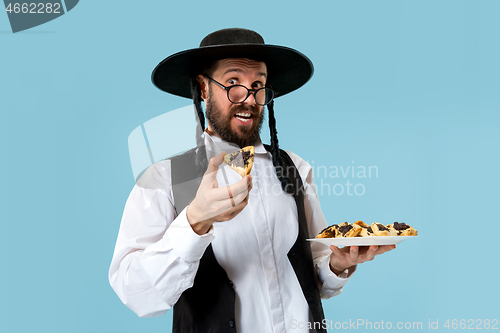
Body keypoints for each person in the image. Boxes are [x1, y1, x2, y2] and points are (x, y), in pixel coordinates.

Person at [109, 28, 395, 333]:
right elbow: (136, 294)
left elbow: (313, 275)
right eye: (233, 83)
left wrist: (339, 263)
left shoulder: (295, 168)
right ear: (203, 88)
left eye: (257, 85)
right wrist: (194, 222)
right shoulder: (163, 178)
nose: (248, 99)